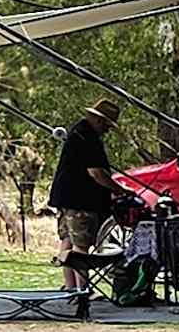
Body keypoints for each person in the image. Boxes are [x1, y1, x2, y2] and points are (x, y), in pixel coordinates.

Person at [47, 99, 131, 252]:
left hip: (65, 198)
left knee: (67, 244)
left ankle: (70, 277)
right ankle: (81, 277)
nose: (107, 130)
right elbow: (96, 173)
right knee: (81, 247)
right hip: (80, 201)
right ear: (99, 121)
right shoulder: (88, 138)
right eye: (106, 126)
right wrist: (119, 190)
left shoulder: (78, 132)